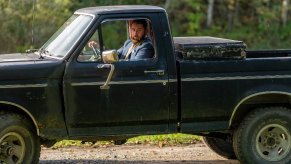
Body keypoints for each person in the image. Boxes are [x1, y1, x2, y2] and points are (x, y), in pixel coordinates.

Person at [88, 19, 154, 61]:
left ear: (145, 31)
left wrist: (117, 62)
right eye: (133, 30)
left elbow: (135, 66)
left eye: (139, 30)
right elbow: (115, 54)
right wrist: (99, 47)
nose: (135, 33)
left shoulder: (146, 46)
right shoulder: (129, 43)